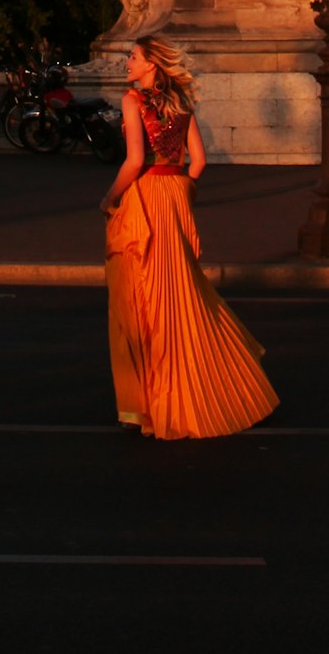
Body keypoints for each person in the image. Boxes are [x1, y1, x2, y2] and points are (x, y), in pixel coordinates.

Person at [102, 37, 278, 440]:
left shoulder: (132, 100)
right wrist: (180, 192)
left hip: (143, 199)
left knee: (139, 300)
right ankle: (222, 388)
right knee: (182, 295)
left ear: (150, 65)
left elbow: (133, 161)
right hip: (173, 197)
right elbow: (197, 161)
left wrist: (109, 198)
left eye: (133, 56)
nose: (127, 62)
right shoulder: (180, 101)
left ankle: (146, 404)